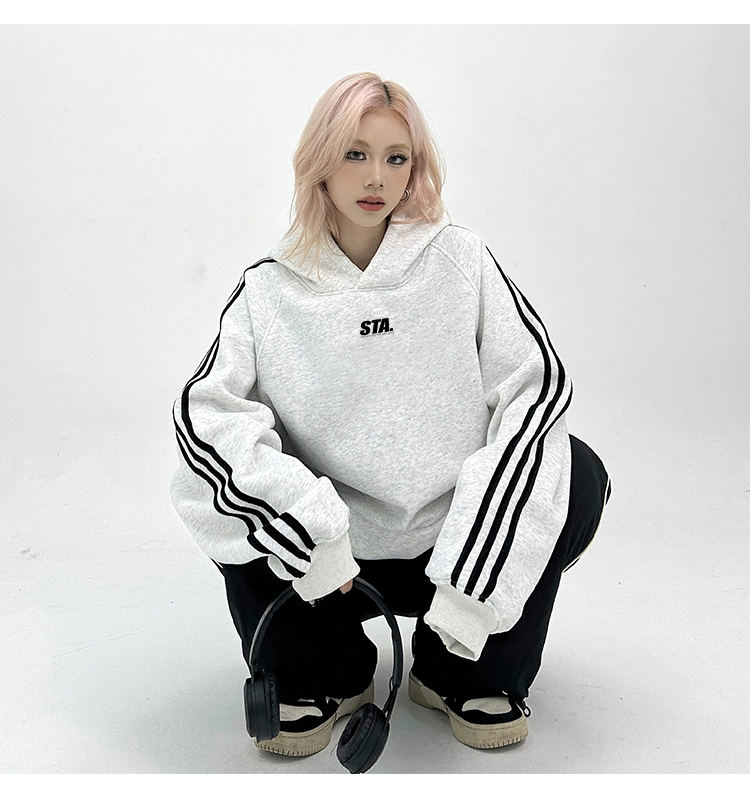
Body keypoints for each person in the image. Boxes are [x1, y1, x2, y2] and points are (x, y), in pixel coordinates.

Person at [170, 72, 611, 759]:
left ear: (414, 168)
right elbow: (207, 419)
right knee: (209, 479)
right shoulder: (268, 288)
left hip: (454, 541)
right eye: (355, 153)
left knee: (573, 467)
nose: (376, 177)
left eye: (396, 157)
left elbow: (538, 387)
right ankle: (321, 669)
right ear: (320, 160)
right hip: (328, 559)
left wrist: (473, 583)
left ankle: (460, 665)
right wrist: (309, 535)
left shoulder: (460, 258)